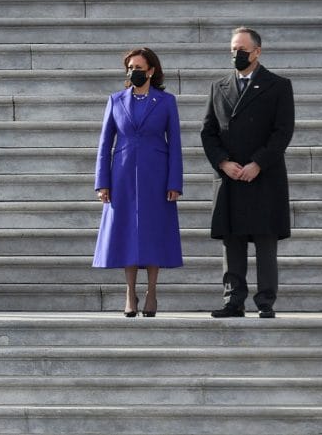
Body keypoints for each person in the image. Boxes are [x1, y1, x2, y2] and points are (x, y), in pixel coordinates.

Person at [201, 27, 294, 319]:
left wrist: (258, 163)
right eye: (233, 49)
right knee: (233, 241)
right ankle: (233, 300)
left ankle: (265, 300)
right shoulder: (219, 86)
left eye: (242, 49)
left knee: (265, 241)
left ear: (257, 51)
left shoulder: (278, 85)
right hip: (230, 176)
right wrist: (223, 163)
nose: (236, 54)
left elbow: (282, 132)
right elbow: (208, 132)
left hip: (263, 175)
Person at [93, 47, 183, 317]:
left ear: (152, 70)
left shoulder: (166, 101)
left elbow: (176, 144)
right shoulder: (116, 100)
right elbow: (104, 143)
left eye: (139, 67)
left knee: (154, 232)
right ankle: (130, 292)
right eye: (130, 67)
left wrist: (174, 182)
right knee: (127, 233)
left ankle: (152, 291)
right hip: (122, 175)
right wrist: (102, 182)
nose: (134, 71)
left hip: (156, 174)